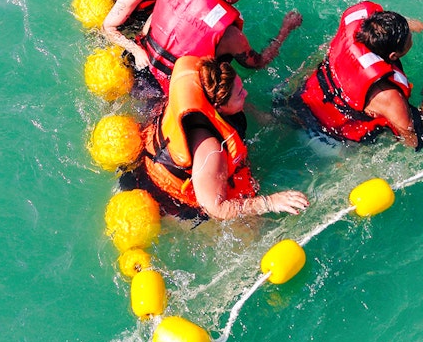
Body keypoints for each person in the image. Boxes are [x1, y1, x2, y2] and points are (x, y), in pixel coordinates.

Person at [132, 56, 309, 220]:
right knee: (255, 225)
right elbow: (215, 209)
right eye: (240, 94)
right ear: (219, 106)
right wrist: (270, 202)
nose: (246, 94)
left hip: (157, 152)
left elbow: (236, 106)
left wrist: (263, 117)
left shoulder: (207, 93)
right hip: (166, 194)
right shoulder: (211, 149)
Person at [294, 1, 423, 150]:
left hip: (300, 100)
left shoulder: (360, 29)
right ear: (393, 56)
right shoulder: (387, 95)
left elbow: (395, 25)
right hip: (327, 137)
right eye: (409, 39)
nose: (412, 36)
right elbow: (416, 141)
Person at [140, 0, 302, 93]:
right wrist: (285, 30)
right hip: (170, 89)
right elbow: (258, 63)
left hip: (140, 65)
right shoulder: (230, 35)